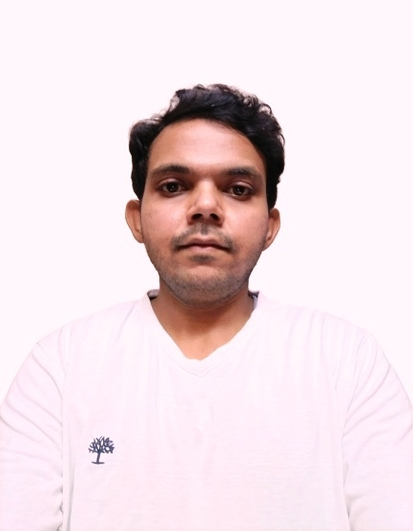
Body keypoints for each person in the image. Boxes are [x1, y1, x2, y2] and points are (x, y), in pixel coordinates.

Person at [0, 84, 412, 531]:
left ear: (270, 226)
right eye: (174, 186)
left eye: (238, 189)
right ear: (137, 219)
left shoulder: (347, 362)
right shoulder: (60, 368)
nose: (205, 207)